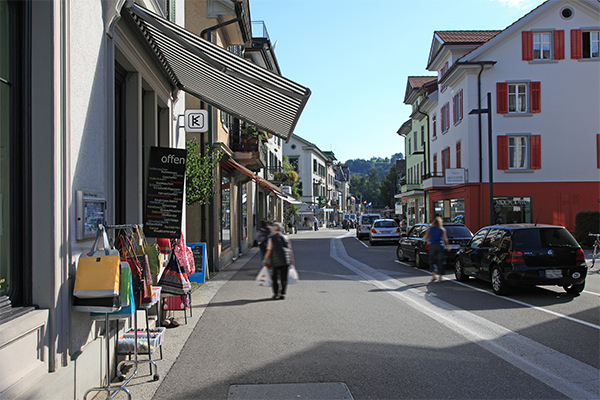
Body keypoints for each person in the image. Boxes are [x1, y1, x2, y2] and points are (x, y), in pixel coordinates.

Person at [262, 222, 295, 300]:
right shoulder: (286, 238)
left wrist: (264, 260)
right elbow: (289, 250)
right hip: (285, 260)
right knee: (284, 278)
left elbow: (269, 250)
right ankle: (282, 293)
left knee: (275, 278)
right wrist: (291, 259)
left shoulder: (271, 239)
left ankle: (276, 293)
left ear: (274, 230)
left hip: (275, 260)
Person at [423, 217, 450, 282]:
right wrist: (447, 246)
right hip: (440, 246)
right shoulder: (442, 229)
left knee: (431, 260)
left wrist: (428, 242)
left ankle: (433, 275)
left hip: (432, 245)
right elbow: (445, 238)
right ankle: (440, 277)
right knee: (440, 261)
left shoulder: (429, 229)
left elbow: (426, 237)